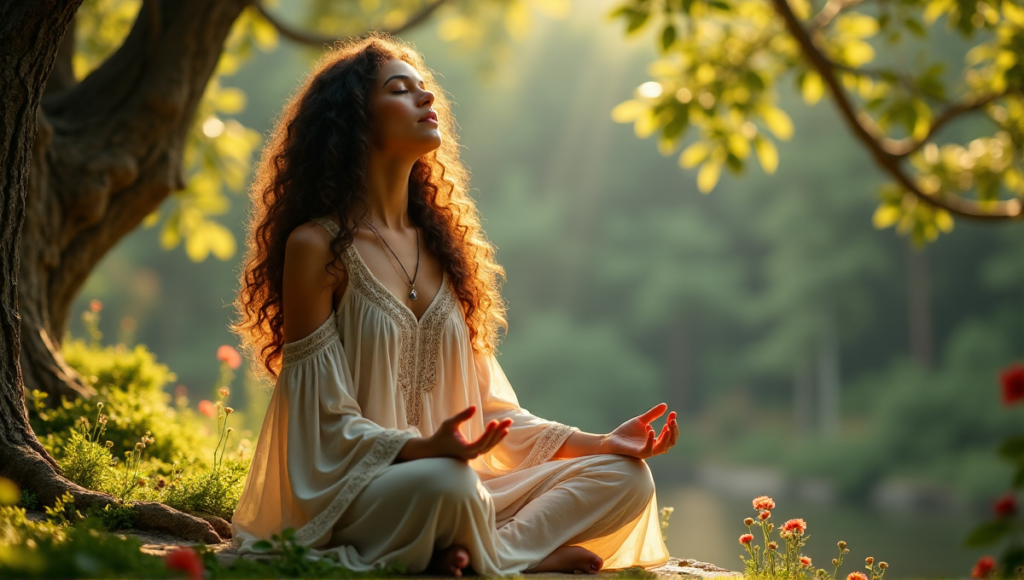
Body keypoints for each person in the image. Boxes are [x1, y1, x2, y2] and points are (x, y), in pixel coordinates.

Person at [229, 32, 679, 577]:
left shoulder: (446, 252)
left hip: (460, 487)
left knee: (624, 477)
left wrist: (601, 442)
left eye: (426, 89)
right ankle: (518, 559)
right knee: (449, 481)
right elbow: (319, 418)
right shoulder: (318, 248)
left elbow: (493, 414)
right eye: (401, 90)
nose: (426, 98)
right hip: (366, 491)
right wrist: (423, 449)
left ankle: (484, 557)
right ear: (353, 120)